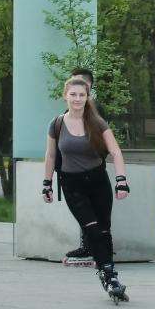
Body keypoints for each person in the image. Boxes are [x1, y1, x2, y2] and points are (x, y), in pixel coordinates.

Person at [42, 76, 131, 300]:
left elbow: (116, 151)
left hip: (98, 181)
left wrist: (122, 180)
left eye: (82, 95)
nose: (77, 99)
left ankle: (110, 275)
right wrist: (47, 184)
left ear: (87, 97)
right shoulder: (57, 124)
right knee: (91, 229)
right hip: (72, 184)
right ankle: (107, 273)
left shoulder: (96, 122)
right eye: (73, 94)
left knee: (103, 230)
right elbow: (51, 154)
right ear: (66, 96)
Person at [62, 67, 105, 265]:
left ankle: (101, 251)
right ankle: (87, 246)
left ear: (89, 87)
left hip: (94, 169)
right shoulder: (65, 115)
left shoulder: (97, 113)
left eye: (81, 83)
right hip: (72, 172)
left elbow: (105, 140)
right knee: (83, 211)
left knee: (99, 212)